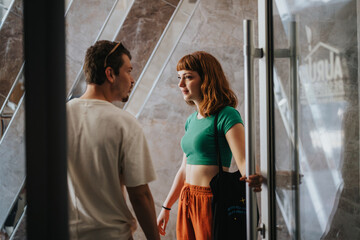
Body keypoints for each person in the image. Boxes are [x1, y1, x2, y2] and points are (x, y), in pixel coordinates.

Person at [157, 51, 263, 239]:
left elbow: (244, 159)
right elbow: (183, 169)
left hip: (210, 200)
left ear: (207, 79)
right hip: (187, 198)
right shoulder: (191, 120)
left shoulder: (227, 115)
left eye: (188, 77)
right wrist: (166, 206)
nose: (180, 84)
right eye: (179, 77)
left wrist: (254, 175)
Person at [67, 40, 160, 240]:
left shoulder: (58, 118)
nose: (132, 79)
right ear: (110, 74)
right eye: (128, 71)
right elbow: (140, 195)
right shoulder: (125, 124)